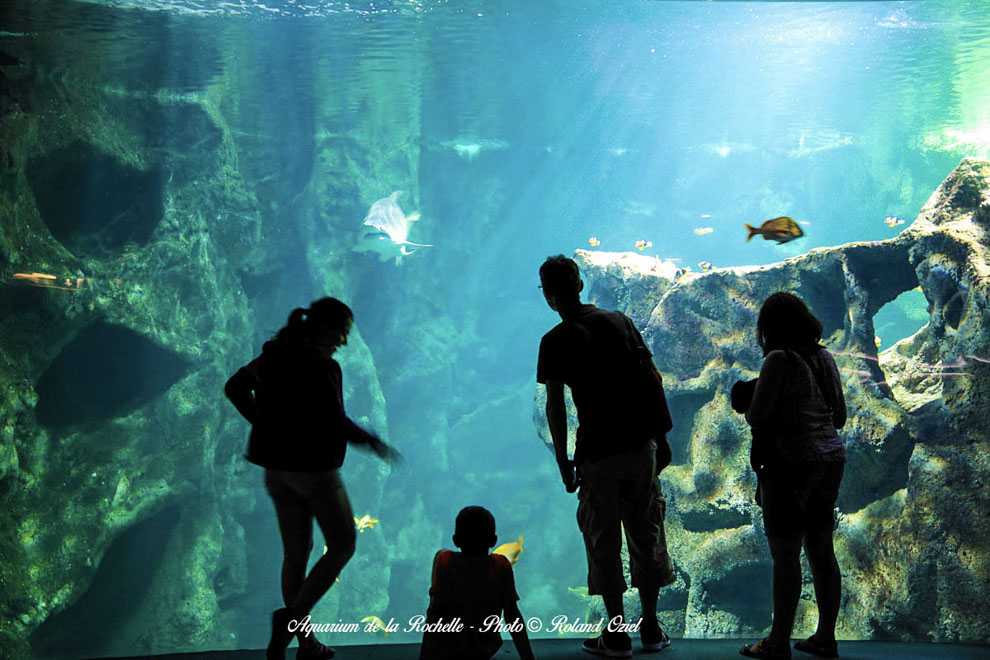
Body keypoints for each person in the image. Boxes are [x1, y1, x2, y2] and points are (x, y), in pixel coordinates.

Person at [224, 297, 401, 660]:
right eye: (341, 332)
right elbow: (335, 420)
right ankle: (290, 621)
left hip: (276, 470)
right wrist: (373, 442)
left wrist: (266, 425)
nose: (344, 341)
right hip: (313, 471)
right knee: (343, 544)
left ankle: (307, 643)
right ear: (323, 328)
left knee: (296, 554)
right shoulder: (322, 367)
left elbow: (235, 388)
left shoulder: (273, 356)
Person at [536, 255, 676, 658]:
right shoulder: (619, 322)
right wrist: (661, 435)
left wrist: (563, 459)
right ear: (580, 285)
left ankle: (616, 634)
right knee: (645, 532)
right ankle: (650, 627)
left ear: (548, 296)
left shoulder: (554, 340)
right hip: (639, 447)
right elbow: (652, 377)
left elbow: (556, 406)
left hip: (597, 453)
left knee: (603, 538)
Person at [738, 292, 847, 660]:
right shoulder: (824, 357)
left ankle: (777, 642)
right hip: (830, 461)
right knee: (821, 550)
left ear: (767, 328)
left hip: (791, 464)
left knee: (786, 554)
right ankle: (825, 638)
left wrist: (751, 397)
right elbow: (840, 416)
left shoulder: (778, 359)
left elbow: (757, 416)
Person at [419, 506, 535, 660]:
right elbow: (512, 614)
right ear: (493, 541)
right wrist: (528, 657)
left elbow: (436, 611)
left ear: (456, 540)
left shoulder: (445, 561)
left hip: (448, 646)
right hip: (484, 646)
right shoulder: (501, 565)